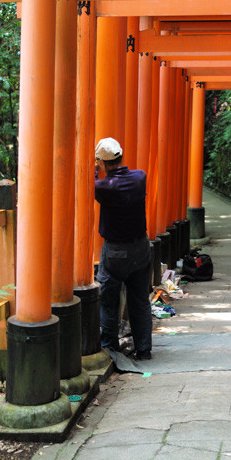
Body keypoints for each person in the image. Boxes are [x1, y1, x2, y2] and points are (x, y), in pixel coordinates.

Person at [93, 137, 152, 360]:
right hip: (141, 247)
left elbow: (91, 184)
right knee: (140, 300)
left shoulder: (103, 188)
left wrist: (93, 169)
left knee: (109, 301)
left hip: (115, 252)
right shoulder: (140, 178)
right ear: (121, 156)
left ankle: (110, 349)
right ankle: (144, 349)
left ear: (102, 162)